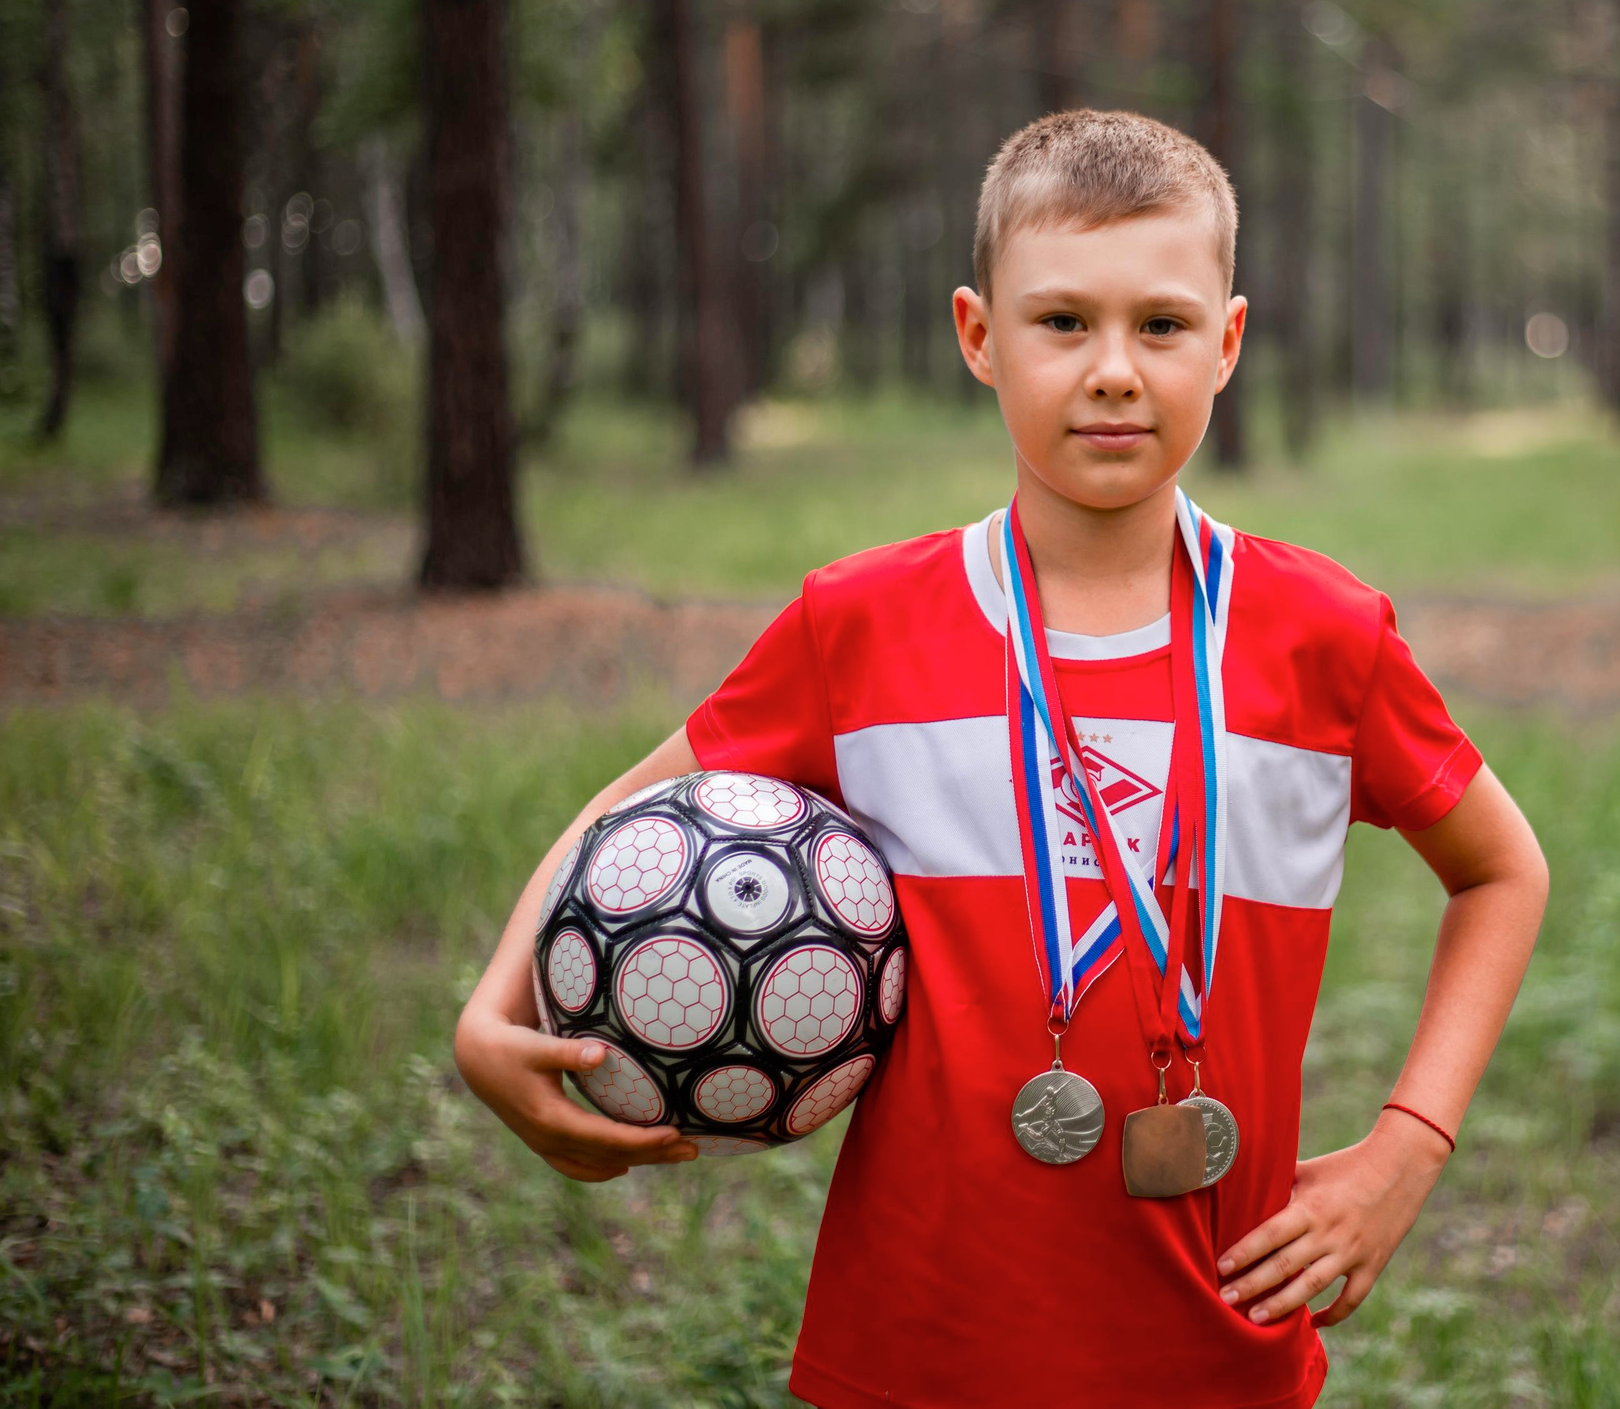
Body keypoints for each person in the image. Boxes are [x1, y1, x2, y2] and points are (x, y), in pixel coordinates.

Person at [452, 109, 1550, 1409]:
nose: (1114, 370)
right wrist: (490, 1017)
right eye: (1062, 321)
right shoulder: (857, 625)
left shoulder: (1323, 636)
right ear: (980, 334)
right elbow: (620, 820)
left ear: (1230, 343)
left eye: (1162, 324)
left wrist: (1407, 1147)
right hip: (915, 1343)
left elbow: (1503, 869)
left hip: (1217, 1339)